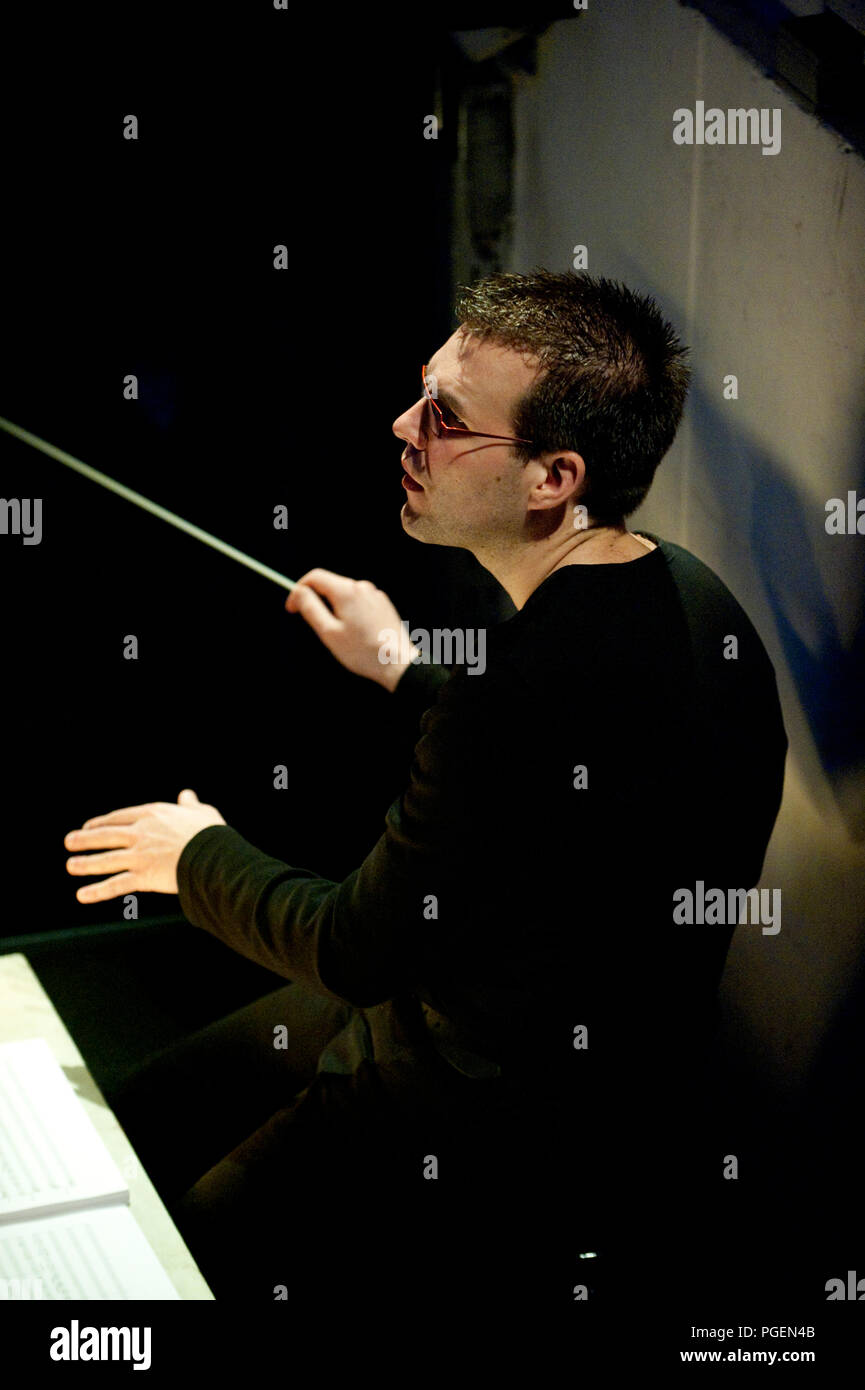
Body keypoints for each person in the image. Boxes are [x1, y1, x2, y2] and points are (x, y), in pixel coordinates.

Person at [68, 270, 787, 1309]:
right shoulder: (689, 598)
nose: (403, 425)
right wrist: (405, 665)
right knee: (147, 1104)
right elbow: (556, 758)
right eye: (422, 391)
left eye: (446, 418)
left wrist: (194, 855)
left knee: (176, 1256)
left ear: (553, 478)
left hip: (492, 1099)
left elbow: (354, 949)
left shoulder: (512, 698)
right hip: (586, 1045)